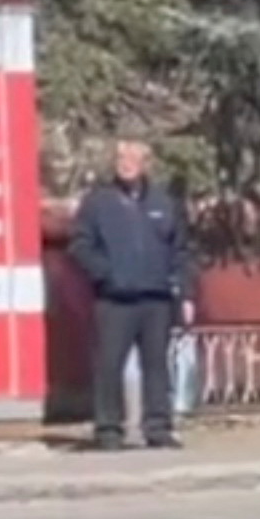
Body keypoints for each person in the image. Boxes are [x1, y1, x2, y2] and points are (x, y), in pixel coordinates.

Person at [72, 139, 186, 451]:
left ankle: (158, 428)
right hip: (114, 300)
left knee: (157, 366)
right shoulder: (98, 202)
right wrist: (105, 274)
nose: (126, 162)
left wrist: (183, 291)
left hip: (156, 299)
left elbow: (180, 251)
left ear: (146, 163)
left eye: (133, 157)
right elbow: (80, 245)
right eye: (121, 157)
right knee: (109, 365)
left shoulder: (164, 202)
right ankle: (109, 430)